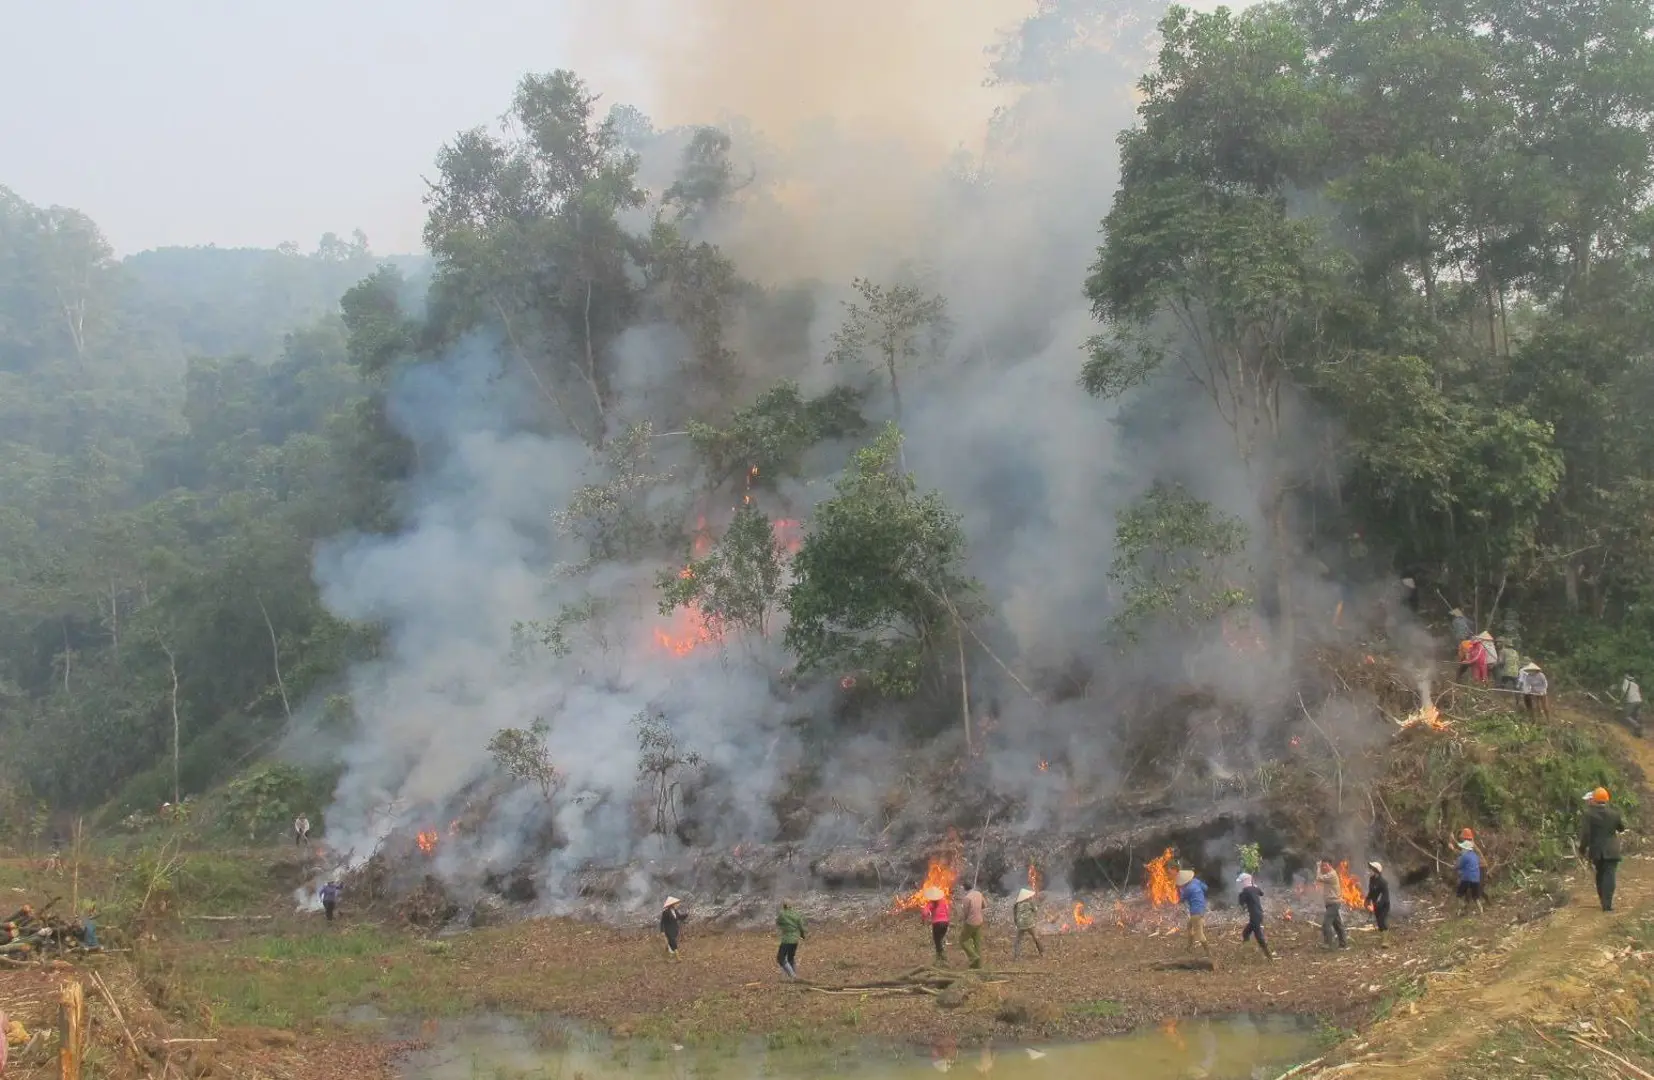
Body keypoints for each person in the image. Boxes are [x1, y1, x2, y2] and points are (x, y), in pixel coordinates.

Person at [1578, 788, 1627, 912]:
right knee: (1610, 875)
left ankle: (1603, 901)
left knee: (1600, 875)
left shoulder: (1588, 814)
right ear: (1607, 799)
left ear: (1594, 800)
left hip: (1596, 851)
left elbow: (1586, 834)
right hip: (1612, 850)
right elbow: (1621, 828)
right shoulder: (1615, 814)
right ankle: (1607, 905)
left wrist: (1582, 849)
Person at [1176, 869, 1213, 965]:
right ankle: (1189, 947)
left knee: (1199, 933)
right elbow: (1205, 888)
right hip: (1201, 908)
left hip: (1195, 912)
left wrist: (1179, 893)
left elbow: (1182, 899)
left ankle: (1208, 952)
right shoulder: (1196, 881)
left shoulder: (1188, 889)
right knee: (1189, 927)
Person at [1235, 873, 1273, 960]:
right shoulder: (1254, 889)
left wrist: (1240, 893)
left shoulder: (1245, 891)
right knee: (1245, 933)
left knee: (1259, 936)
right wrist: (1254, 886)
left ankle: (1269, 956)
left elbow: (1241, 903)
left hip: (1255, 916)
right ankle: (1246, 951)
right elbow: (1261, 893)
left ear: (1244, 882)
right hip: (1259, 914)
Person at [1315, 861, 1348, 949]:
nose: (1323, 867)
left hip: (1334, 903)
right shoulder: (1329, 874)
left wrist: (1318, 867)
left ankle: (1328, 943)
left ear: (1330, 865)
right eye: (1322, 866)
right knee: (1338, 925)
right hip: (1331, 903)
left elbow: (1319, 878)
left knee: (1326, 924)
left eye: (1325, 866)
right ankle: (1343, 944)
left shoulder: (1332, 875)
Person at [958, 884, 986, 969]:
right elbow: (984, 905)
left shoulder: (967, 898)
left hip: (971, 922)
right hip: (980, 921)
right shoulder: (979, 894)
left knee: (962, 940)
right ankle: (978, 966)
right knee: (977, 943)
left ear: (965, 889)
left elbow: (966, 913)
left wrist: (964, 920)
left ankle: (973, 957)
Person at [776, 900, 805, 979]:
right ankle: (794, 976)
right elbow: (801, 927)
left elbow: (778, 922)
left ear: (784, 906)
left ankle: (793, 976)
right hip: (795, 940)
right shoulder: (796, 914)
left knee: (780, 958)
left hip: (786, 940)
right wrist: (802, 935)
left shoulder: (782, 914)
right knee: (790, 958)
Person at [1011, 887, 1043, 959]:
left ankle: (1016, 956)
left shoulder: (1017, 904)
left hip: (1020, 924)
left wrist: (1016, 922)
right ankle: (1042, 952)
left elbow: (1015, 914)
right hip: (1029, 924)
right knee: (1036, 938)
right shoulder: (1030, 902)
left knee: (1018, 940)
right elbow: (1035, 910)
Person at [1365, 861, 1391, 947]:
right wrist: (1367, 900)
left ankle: (1386, 942)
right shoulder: (1372, 879)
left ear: (1376, 870)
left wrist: (1376, 905)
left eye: (1372, 869)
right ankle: (1384, 936)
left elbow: (1384, 896)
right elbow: (1371, 892)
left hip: (1384, 905)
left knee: (1382, 921)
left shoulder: (1383, 882)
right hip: (1376, 904)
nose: (1370, 870)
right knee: (1379, 924)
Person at [921, 887, 951, 962]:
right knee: (940, 939)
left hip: (937, 924)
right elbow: (948, 911)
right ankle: (940, 957)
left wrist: (924, 920)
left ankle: (941, 958)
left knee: (937, 941)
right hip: (945, 923)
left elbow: (925, 913)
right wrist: (947, 919)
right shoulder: (944, 902)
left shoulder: (930, 903)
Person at [1455, 840, 1483, 915]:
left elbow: (1459, 866)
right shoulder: (1475, 856)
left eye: (1463, 848)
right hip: (1476, 879)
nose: (1462, 849)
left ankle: (1462, 906)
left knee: (1459, 895)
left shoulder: (1464, 856)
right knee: (1476, 897)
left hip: (1466, 878)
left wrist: (1455, 867)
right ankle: (1481, 910)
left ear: (1466, 849)